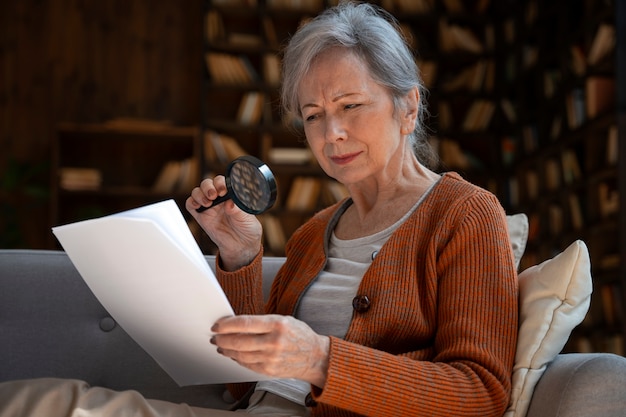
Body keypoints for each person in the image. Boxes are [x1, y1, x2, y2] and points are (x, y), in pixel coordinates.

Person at [0, 2, 518, 417]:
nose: (330, 133)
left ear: (407, 107)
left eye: (350, 106)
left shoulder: (466, 214)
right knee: (40, 399)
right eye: (313, 115)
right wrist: (240, 252)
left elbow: (479, 393)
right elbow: (239, 387)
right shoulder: (314, 233)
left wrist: (319, 359)